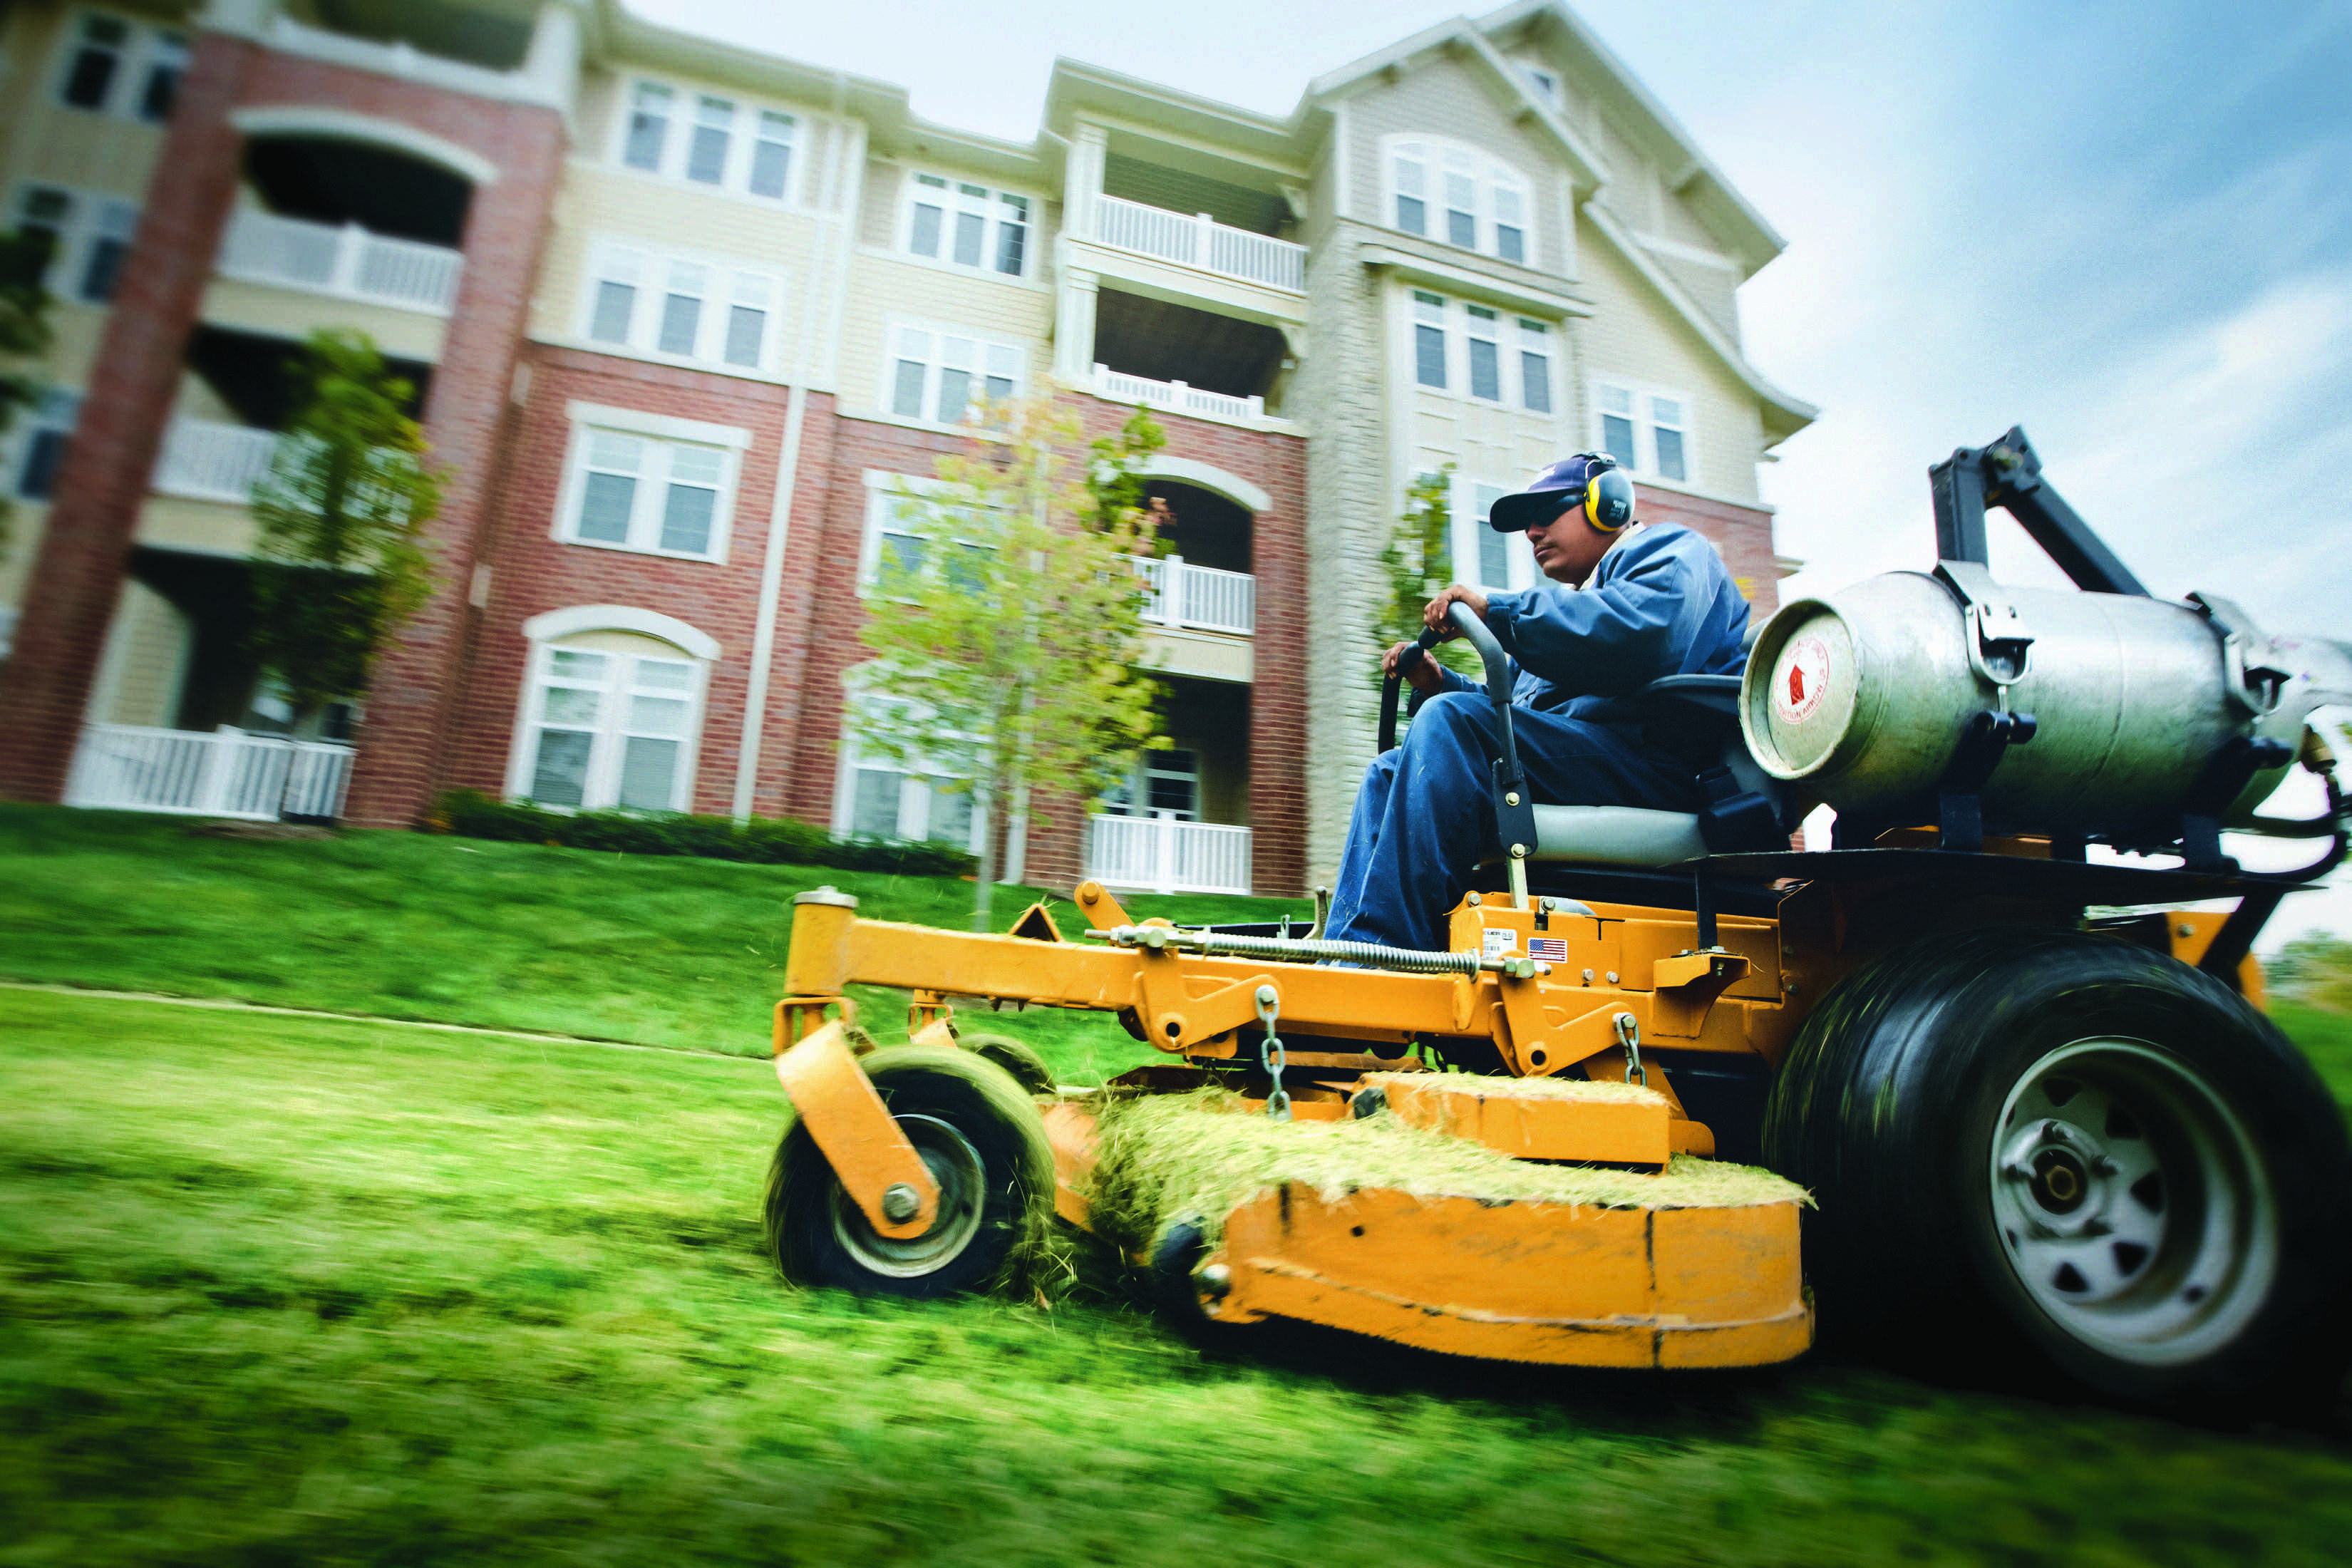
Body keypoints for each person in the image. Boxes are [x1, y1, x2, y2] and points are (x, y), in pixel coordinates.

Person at [1324, 453, 1752, 953]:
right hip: (1594, 759)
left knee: (1453, 724)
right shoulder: (1571, 611)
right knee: (1389, 771)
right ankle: (1348, 948)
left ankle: (1384, 955)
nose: (1531, 532)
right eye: (1527, 522)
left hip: (1658, 765)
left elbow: (1647, 633)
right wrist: (1443, 684)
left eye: (1546, 513)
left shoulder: (1670, 552)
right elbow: (1520, 712)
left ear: (1608, 505)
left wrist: (1500, 610)